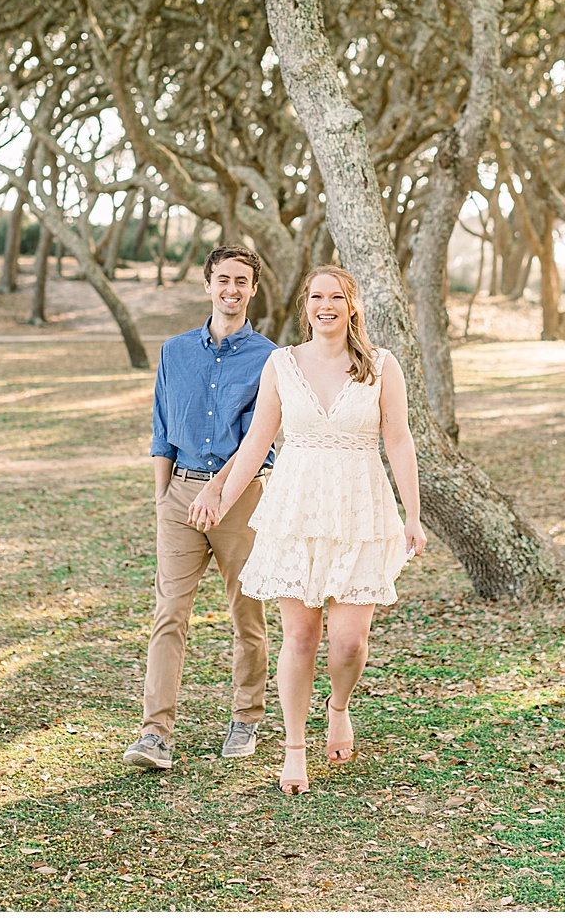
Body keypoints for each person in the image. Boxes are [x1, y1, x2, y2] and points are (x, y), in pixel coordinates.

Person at [212, 266, 427, 794]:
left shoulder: (381, 366)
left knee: (350, 643)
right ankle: (293, 749)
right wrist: (222, 497)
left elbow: (398, 440)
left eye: (336, 297)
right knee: (301, 636)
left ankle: (339, 708)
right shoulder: (282, 364)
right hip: (297, 511)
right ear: (305, 304)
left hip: (360, 509)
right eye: (316, 297)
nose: (325, 305)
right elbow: (258, 439)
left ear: (352, 305)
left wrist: (413, 514)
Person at [122, 245, 277, 771]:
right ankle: (154, 732)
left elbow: (263, 438)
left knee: (246, 613)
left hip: (242, 497)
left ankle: (246, 717)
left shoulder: (271, 359)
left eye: (242, 281)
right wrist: (165, 497)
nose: (232, 289)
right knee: (169, 614)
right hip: (181, 495)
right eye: (223, 279)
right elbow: (162, 430)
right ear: (207, 284)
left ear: (253, 290)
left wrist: (220, 492)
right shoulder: (174, 351)